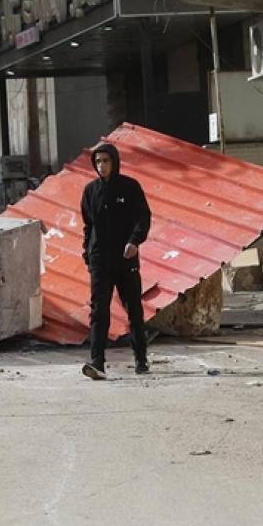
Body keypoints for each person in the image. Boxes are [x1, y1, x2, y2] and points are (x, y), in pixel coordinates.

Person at [80, 142, 151, 380]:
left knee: (134, 309)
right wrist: (87, 253)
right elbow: (88, 226)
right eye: (98, 161)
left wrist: (134, 241)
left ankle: (141, 359)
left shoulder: (130, 187)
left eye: (106, 161)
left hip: (125, 259)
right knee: (99, 311)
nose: (102, 166)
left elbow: (143, 218)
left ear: (115, 161)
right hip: (100, 260)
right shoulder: (90, 191)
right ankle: (97, 362)